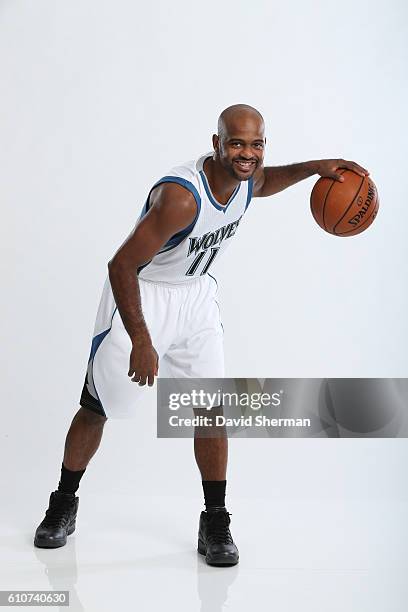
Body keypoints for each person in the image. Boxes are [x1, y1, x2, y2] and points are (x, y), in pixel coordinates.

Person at [34, 103, 368, 566]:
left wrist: (313, 169)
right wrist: (143, 340)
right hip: (143, 293)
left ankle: (215, 519)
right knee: (97, 408)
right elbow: (121, 265)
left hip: (195, 298)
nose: (247, 153)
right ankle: (62, 505)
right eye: (236, 143)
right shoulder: (181, 198)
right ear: (216, 144)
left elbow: (264, 182)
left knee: (212, 411)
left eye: (256, 144)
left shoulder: (248, 176)